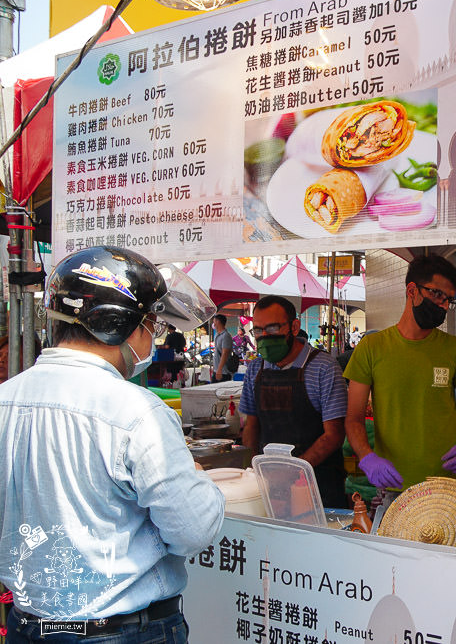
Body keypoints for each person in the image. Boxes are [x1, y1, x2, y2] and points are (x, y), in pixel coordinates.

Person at [0, 246, 225, 643]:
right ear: (121, 325)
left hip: (30, 625)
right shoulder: (136, 412)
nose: (152, 338)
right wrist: (200, 482)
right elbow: (192, 530)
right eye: (151, 326)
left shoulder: (5, 400)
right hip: (122, 631)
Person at [344, 255, 456, 493]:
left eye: (449, 300)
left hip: (445, 485)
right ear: (412, 291)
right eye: (437, 295)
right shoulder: (371, 347)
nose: (443, 306)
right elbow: (354, 418)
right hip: (393, 486)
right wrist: (367, 457)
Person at [239, 295, 349, 508]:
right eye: (258, 331)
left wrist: (293, 472)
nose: (264, 337)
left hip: (318, 484)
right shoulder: (255, 370)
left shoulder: (324, 367)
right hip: (269, 484)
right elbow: (251, 426)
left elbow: (334, 435)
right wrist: (254, 473)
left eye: (272, 328)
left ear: (295, 327)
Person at [211, 314, 234, 382]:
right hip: (217, 370)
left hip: (223, 372)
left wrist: (219, 369)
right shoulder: (217, 335)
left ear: (218, 321)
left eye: (214, 321)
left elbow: (225, 353)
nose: (213, 324)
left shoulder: (226, 336)